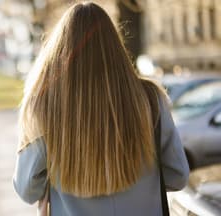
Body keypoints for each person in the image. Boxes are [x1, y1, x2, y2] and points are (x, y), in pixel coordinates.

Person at [12, 2, 189, 215]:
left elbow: (27, 189)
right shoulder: (150, 100)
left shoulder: (46, 107)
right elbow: (177, 175)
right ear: (115, 46)